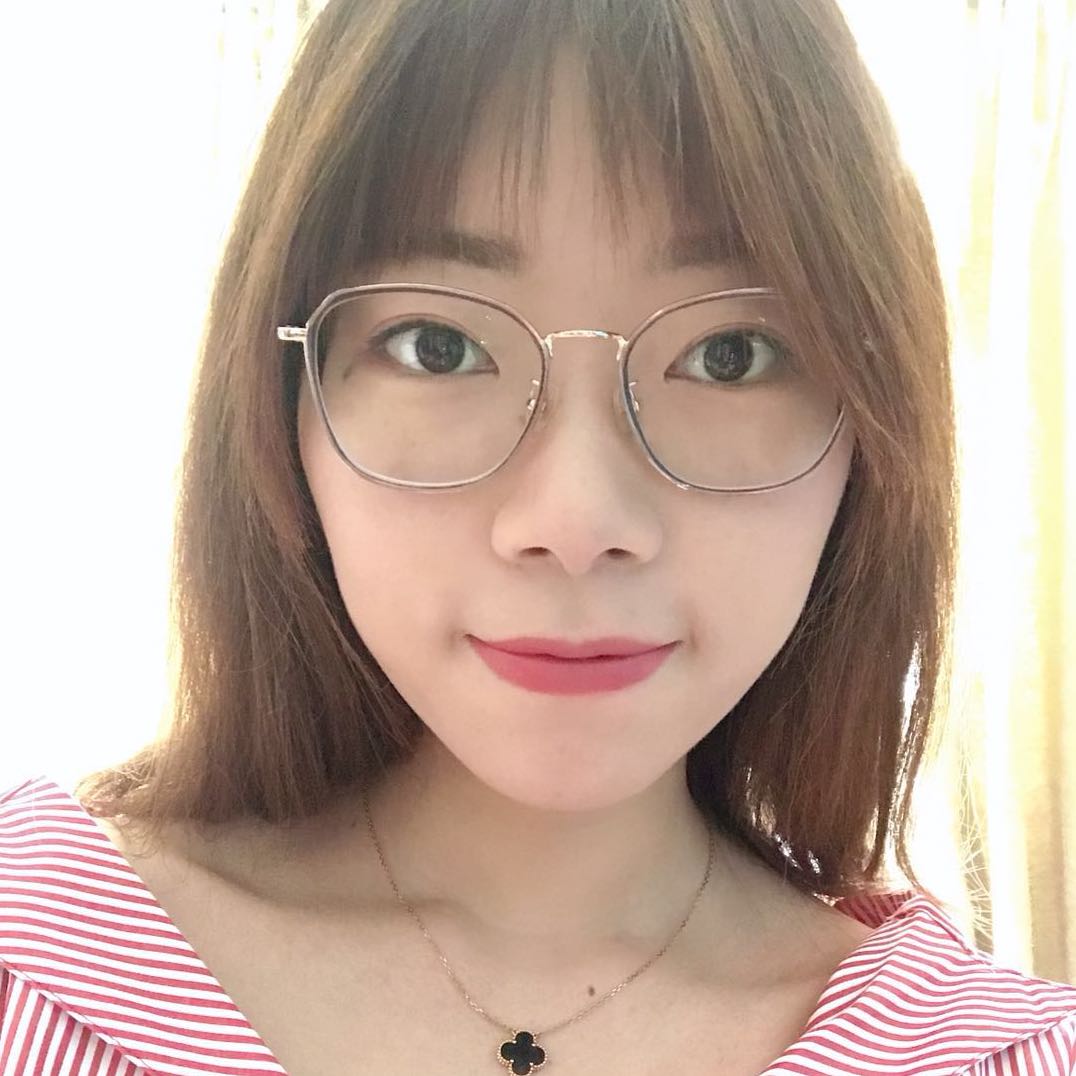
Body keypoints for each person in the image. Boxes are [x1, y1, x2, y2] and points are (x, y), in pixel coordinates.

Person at [2, 0, 1075, 1073]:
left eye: (731, 355)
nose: (575, 522)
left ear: (874, 434)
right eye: (436, 344)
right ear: (284, 405)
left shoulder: (998, 1053)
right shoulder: (33, 960)